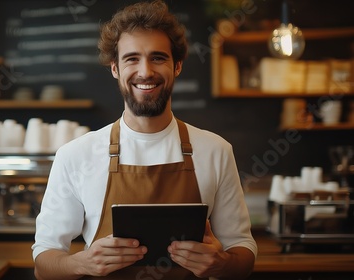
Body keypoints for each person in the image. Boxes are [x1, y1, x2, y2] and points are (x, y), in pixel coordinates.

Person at [32, 0, 258, 279]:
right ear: (115, 68)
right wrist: (84, 263)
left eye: (158, 58)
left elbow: (243, 250)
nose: (145, 72)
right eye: (132, 59)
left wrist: (222, 264)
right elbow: (44, 264)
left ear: (177, 66)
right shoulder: (75, 155)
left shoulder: (216, 151)